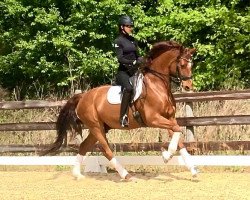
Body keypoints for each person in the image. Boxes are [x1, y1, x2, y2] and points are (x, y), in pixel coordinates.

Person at [114, 15, 143, 127]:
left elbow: (137, 55)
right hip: (123, 72)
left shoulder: (133, 40)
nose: (131, 28)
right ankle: (122, 117)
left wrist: (141, 60)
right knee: (129, 88)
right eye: (128, 26)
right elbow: (120, 58)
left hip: (135, 71)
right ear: (122, 27)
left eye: (131, 26)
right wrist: (133, 63)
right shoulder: (118, 41)